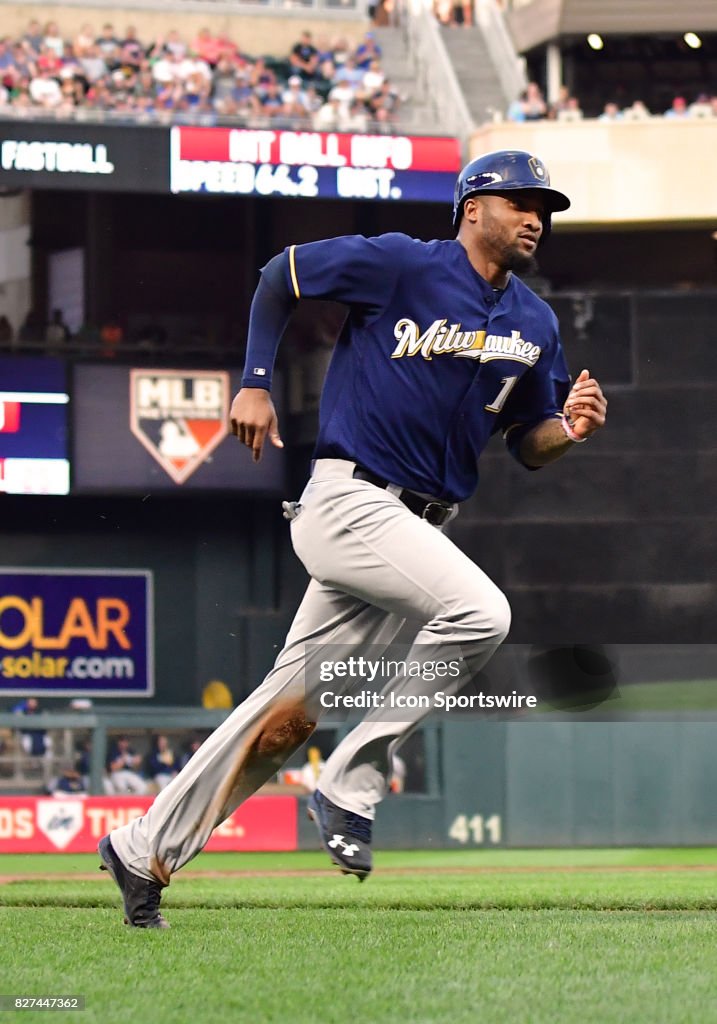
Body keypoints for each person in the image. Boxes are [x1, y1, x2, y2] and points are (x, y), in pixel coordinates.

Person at [98, 149, 607, 928]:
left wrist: (567, 431)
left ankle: (142, 849)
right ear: (474, 208)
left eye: (545, 205)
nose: (537, 216)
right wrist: (256, 382)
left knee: (287, 715)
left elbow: (527, 442)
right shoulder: (402, 265)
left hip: (413, 526)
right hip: (350, 501)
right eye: (521, 200)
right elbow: (281, 275)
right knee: (480, 614)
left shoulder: (531, 321)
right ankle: (351, 782)